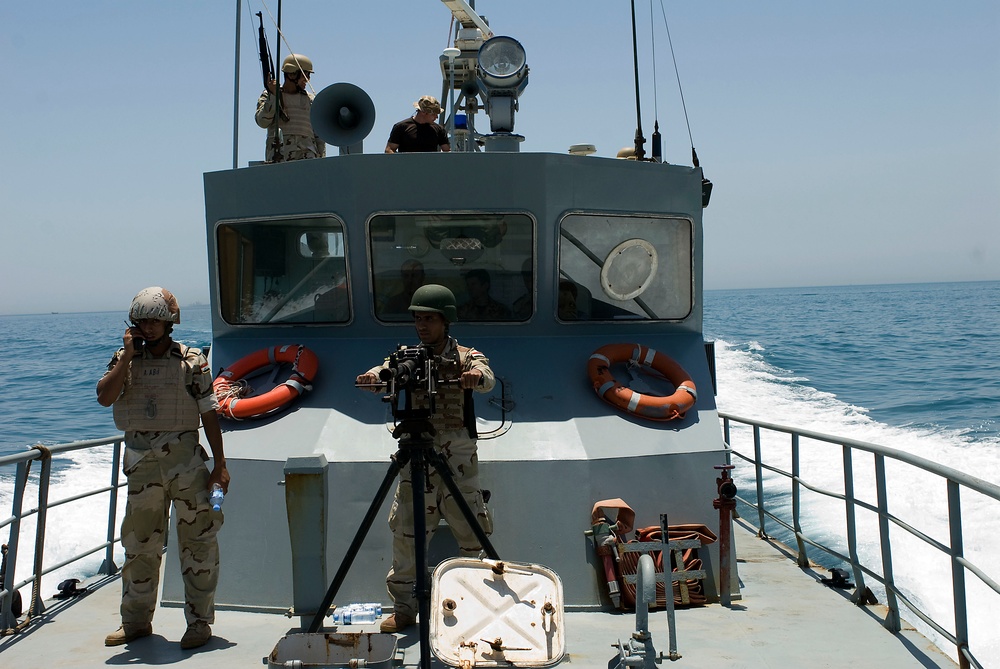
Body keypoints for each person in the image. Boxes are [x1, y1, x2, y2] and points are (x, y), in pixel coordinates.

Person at [355, 285, 494, 633]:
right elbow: (387, 369)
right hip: (415, 454)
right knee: (406, 535)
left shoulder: (465, 356)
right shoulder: (407, 356)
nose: (422, 325)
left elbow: (487, 376)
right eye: (418, 318)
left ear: (445, 321)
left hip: (457, 459)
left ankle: (473, 604)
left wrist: (475, 378)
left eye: (429, 319)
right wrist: (375, 377)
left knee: (471, 534)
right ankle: (404, 609)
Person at [97, 287, 229, 650]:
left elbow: (209, 413)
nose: (148, 326)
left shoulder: (192, 361)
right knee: (139, 547)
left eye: (154, 320)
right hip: (142, 468)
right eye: (141, 320)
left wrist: (220, 465)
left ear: (169, 322)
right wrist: (126, 355)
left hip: (186, 464)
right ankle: (136, 622)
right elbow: (104, 396)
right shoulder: (123, 359)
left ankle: (199, 623)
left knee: (198, 543)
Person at [255, 53, 326, 162]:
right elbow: (262, 122)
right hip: (280, 157)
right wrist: (273, 95)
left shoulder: (310, 100)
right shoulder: (270, 95)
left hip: (307, 158)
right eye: (305, 74)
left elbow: (319, 135)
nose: (307, 79)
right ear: (292, 75)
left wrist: (322, 161)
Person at [385, 96, 451, 153]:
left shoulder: (439, 130)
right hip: (406, 167)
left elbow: (447, 152)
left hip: (431, 167)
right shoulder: (401, 127)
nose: (436, 117)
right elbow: (389, 150)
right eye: (434, 114)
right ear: (423, 112)